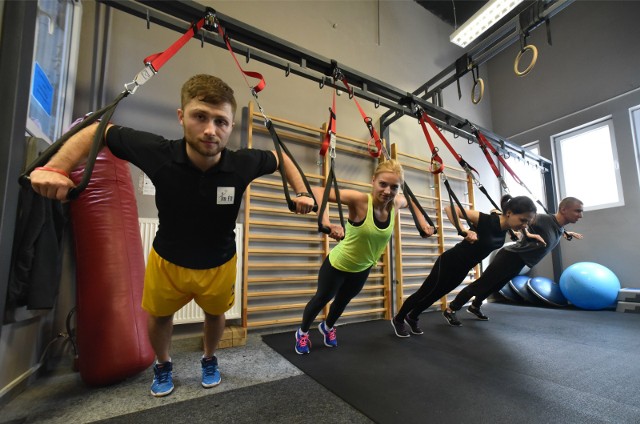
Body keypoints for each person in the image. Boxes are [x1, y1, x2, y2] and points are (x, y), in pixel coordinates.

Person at [29, 74, 315, 397]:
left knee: (215, 315)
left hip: (219, 264)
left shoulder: (242, 164)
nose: (210, 130)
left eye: (221, 121)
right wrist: (56, 168)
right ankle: (163, 363)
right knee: (160, 316)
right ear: (181, 117)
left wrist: (301, 191)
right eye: (200, 117)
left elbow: (280, 158)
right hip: (168, 262)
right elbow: (97, 132)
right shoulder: (159, 153)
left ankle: (209, 358)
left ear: (231, 126)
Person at [294, 160, 435, 354]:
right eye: (383, 184)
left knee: (342, 302)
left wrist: (423, 225)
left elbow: (411, 201)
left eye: (394, 187)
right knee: (321, 299)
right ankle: (302, 333)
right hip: (338, 264)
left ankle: (327, 328)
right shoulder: (359, 200)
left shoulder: (395, 203)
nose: (387, 191)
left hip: (362, 268)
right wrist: (327, 223)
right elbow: (319, 192)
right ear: (373, 181)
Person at [390, 195, 540, 337]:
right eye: (523, 220)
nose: (525, 225)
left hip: (464, 267)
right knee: (425, 292)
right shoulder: (485, 219)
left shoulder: (507, 228)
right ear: (509, 213)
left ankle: (413, 317)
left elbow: (521, 227)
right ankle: (399, 318)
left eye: (527, 222)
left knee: (437, 294)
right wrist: (463, 230)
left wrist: (528, 235)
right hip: (450, 261)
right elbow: (450, 209)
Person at [443, 197, 584, 326]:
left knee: (495, 286)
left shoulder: (559, 227)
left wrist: (566, 233)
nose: (580, 215)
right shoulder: (544, 219)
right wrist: (524, 232)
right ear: (564, 209)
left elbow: (548, 229)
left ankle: (475, 306)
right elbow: (521, 219)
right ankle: (451, 309)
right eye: (577, 211)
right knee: (481, 285)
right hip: (511, 256)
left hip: (521, 261)